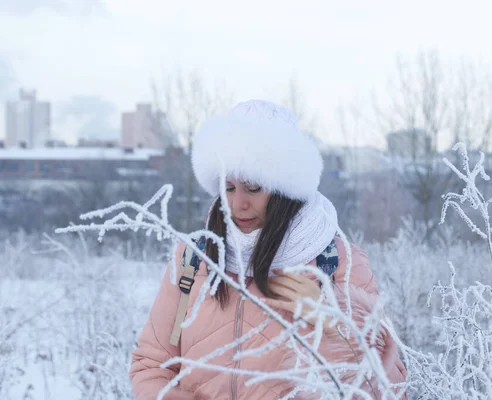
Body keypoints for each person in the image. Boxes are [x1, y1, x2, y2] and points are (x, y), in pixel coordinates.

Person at [129, 100, 407, 399]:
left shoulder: (338, 263)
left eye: (253, 188)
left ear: (284, 189)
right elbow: (151, 365)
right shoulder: (193, 258)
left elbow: (388, 387)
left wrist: (335, 322)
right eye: (229, 187)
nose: (238, 204)